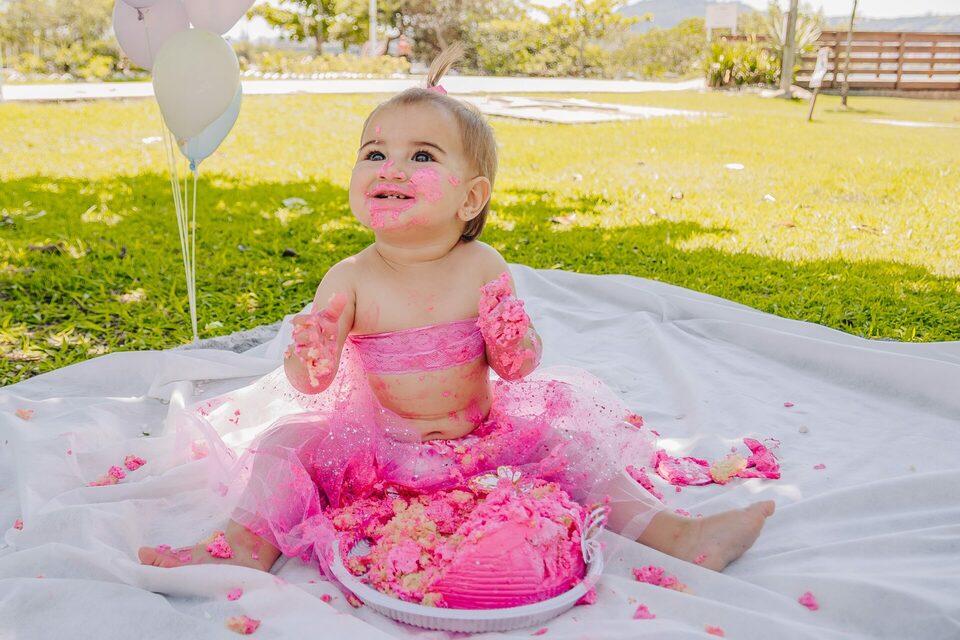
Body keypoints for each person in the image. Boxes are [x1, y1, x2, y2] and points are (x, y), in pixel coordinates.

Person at [139, 45, 774, 578]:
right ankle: (243, 547)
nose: (391, 168)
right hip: (380, 453)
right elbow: (310, 382)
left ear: (470, 199)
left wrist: (514, 340)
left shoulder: (482, 266)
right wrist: (312, 355)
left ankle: (677, 536)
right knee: (286, 444)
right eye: (374, 152)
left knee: (569, 443)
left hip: (485, 443)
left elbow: (517, 366)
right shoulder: (350, 278)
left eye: (422, 156)